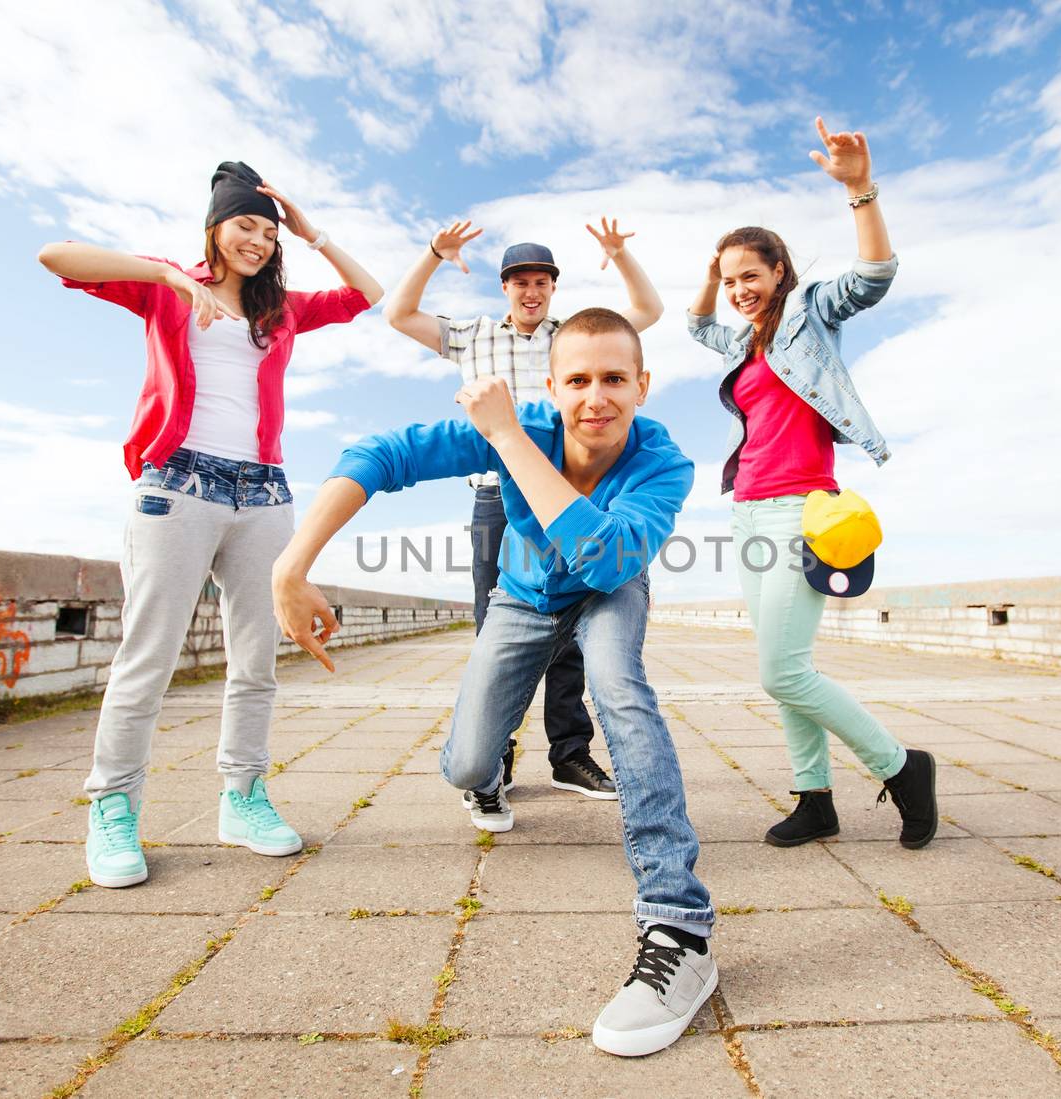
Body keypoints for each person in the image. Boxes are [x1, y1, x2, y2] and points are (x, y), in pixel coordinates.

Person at [271, 308, 716, 1058]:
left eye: (615, 379)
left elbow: (605, 560)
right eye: (577, 380)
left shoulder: (663, 463)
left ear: (644, 384)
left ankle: (679, 924)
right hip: (521, 593)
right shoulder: (534, 422)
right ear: (552, 384)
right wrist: (292, 564)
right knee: (471, 762)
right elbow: (382, 453)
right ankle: (486, 779)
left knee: (617, 683)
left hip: (607, 585)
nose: (596, 398)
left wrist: (507, 437)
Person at [37, 161, 383, 888]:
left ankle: (243, 796)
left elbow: (366, 295)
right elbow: (56, 257)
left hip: (263, 495)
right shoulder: (167, 284)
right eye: (244, 225)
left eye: (267, 230)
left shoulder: (279, 309)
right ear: (215, 228)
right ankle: (113, 807)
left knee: (256, 661)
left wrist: (310, 228)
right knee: (148, 658)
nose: (257, 241)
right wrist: (168, 279)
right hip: (175, 485)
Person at [687, 118, 938, 849]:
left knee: (782, 670)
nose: (739, 290)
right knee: (785, 666)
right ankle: (814, 796)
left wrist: (860, 190)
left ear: (779, 273)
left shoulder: (806, 313)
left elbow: (874, 277)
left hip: (805, 511)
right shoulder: (742, 338)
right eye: (731, 279)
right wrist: (711, 273)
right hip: (749, 513)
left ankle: (901, 766)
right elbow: (698, 326)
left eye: (750, 276)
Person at [379, 218, 666, 801]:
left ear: (553, 288)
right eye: (519, 283)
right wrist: (435, 253)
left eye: (541, 282)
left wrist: (619, 255)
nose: (531, 292)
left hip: (573, 493)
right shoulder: (474, 336)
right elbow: (398, 314)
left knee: (575, 628)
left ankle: (570, 754)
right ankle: (492, 759)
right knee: (501, 622)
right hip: (497, 491)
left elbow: (647, 312)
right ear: (505, 288)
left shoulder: (573, 337)